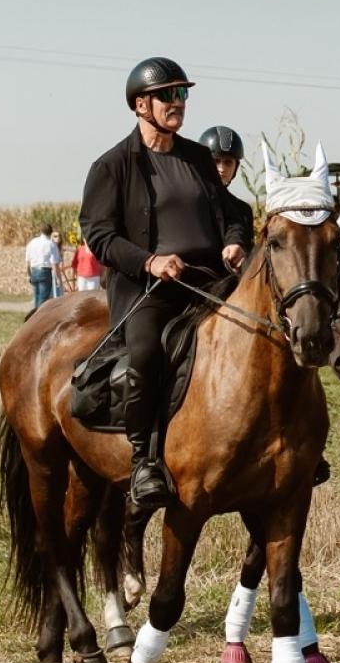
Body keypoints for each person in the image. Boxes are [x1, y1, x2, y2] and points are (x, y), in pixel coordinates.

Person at [79, 57, 250, 510]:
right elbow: (98, 234)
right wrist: (149, 262)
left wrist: (234, 243)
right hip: (147, 288)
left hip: (210, 281)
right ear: (140, 104)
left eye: (183, 94)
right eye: (167, 95)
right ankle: (144, 461)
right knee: (147, 350)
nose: (178, 103)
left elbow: (236, 214)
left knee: (268, 329)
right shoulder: (113, 165)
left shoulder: (197, 157)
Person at [199, 125, 256, 245]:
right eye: (216, 161)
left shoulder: (243, 211)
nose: (221, 169)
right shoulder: (188, 203)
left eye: (228, 162)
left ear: (236, 167)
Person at [24, 224, 60, 311]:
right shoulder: (51, 244)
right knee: (43, 299)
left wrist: (29, 274)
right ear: (50, 233)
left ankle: (34, 316)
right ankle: (38, 317)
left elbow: (27, 261)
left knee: (36, 297)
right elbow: (54, 263)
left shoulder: (32, 242)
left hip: (34, 271)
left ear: (41, 231)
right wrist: (57, 277)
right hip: (45, 271)